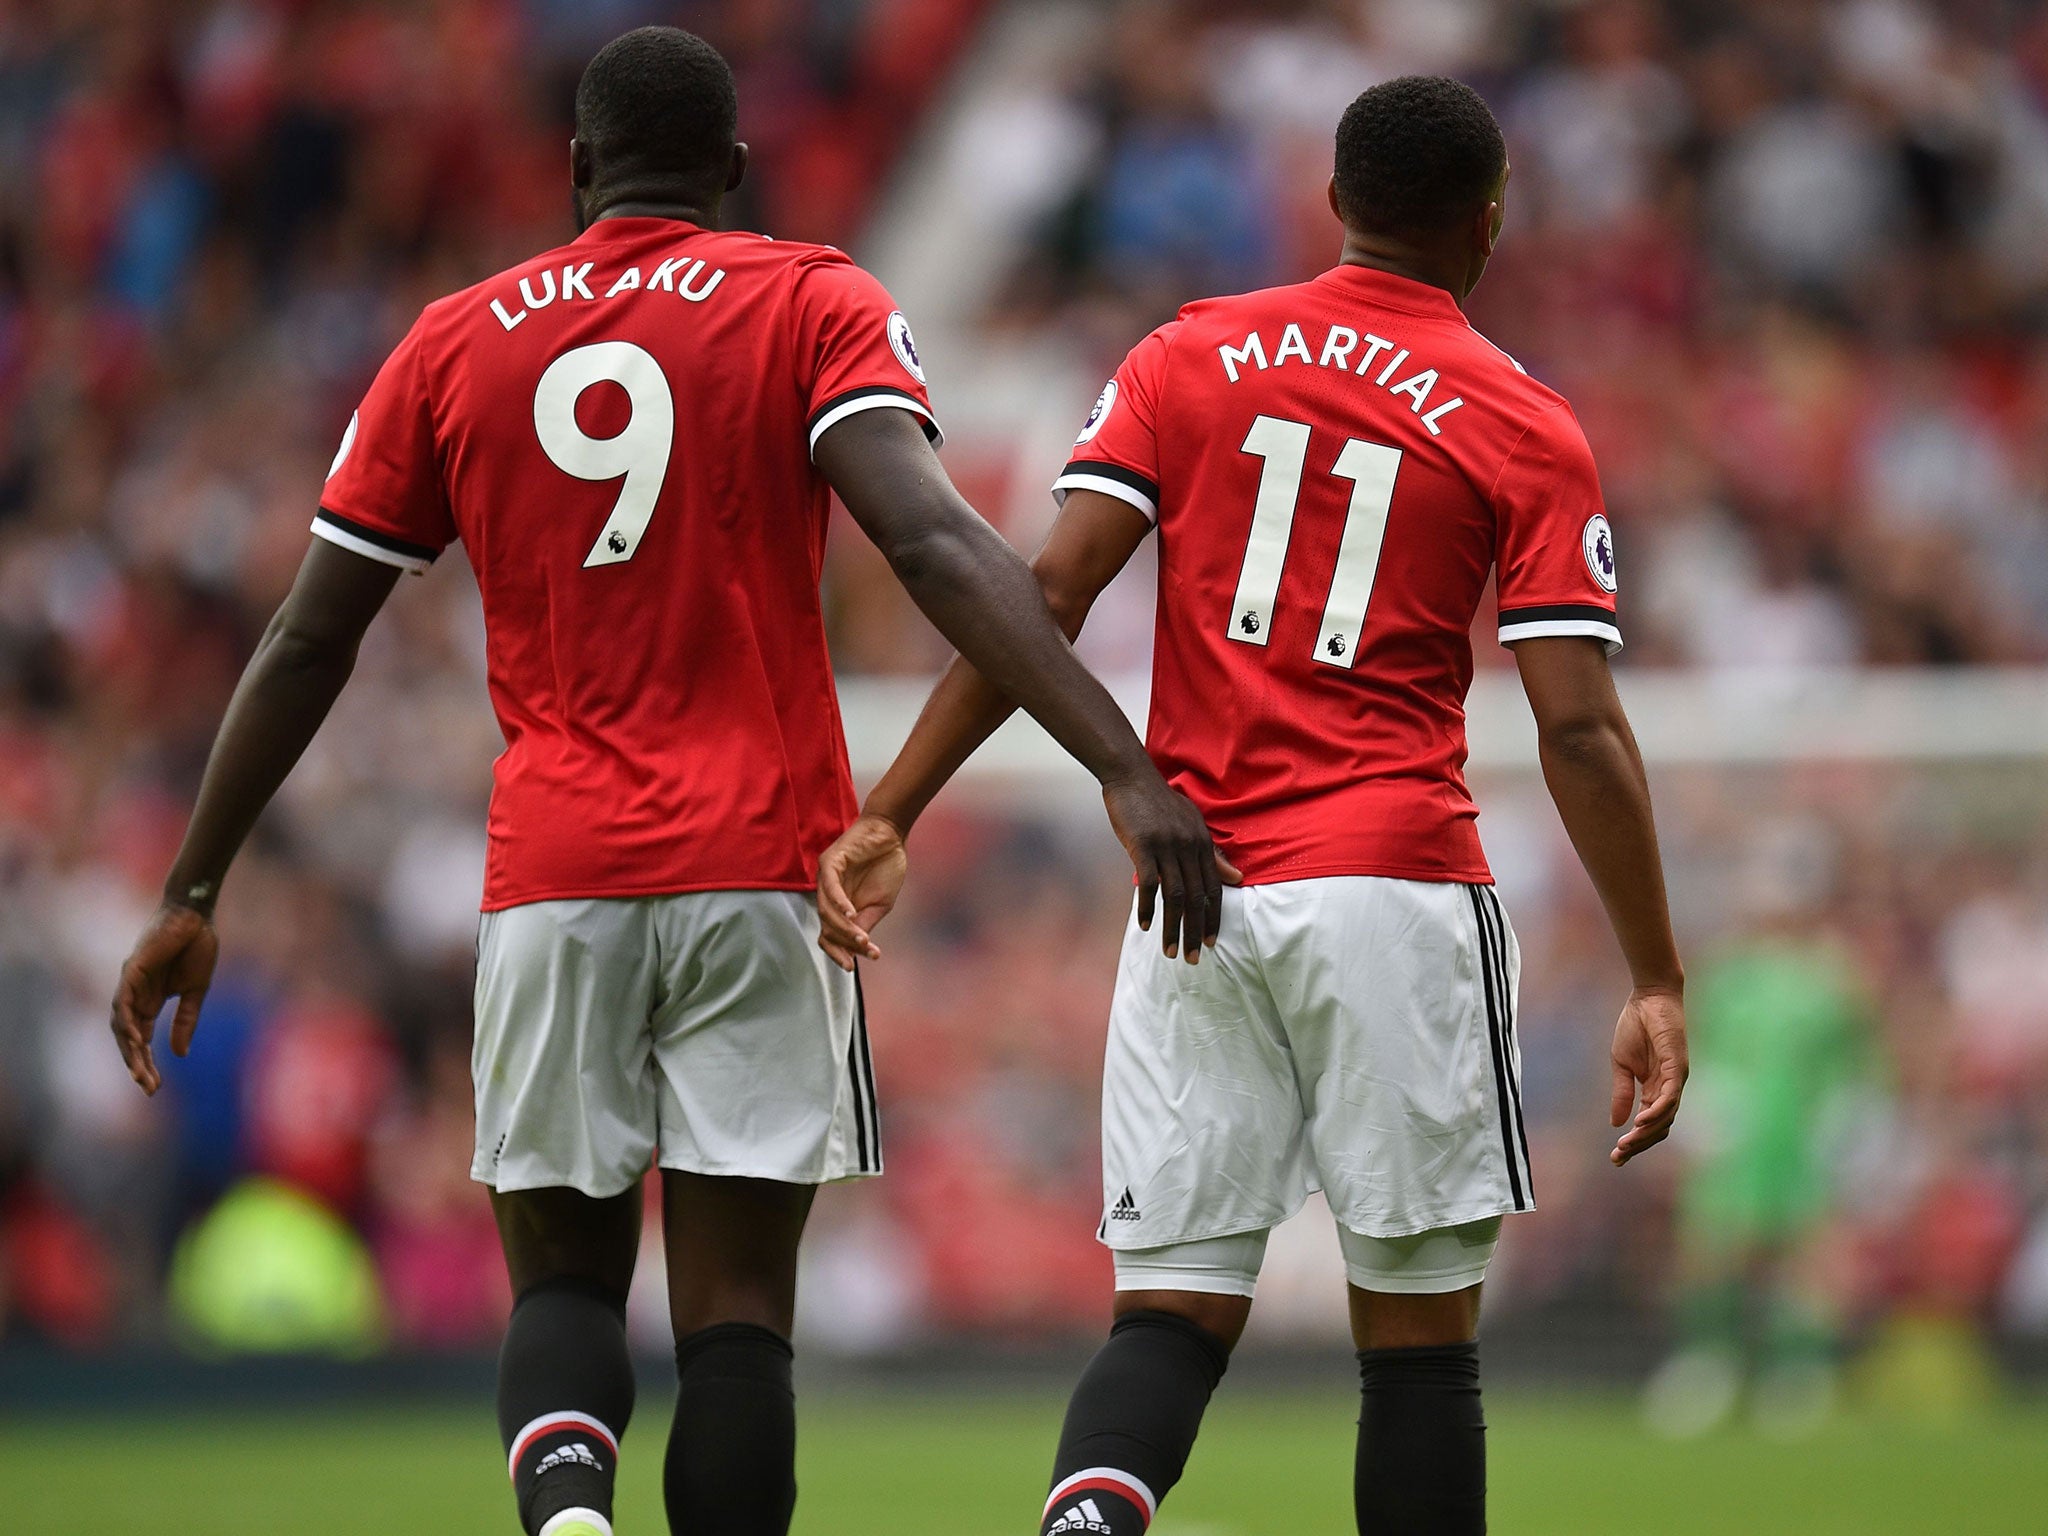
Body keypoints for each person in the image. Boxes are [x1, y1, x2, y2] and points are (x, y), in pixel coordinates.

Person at [107, 27, 1222, 1536]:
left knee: (562, 1287)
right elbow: (938, 544)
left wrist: (192, 887)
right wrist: (1120, 760)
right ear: (737, 174)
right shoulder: (810, 296)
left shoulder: (453, 338)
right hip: (766, 869)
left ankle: (569, 1519)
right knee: (739, 1321)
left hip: (557, 870)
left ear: (576, 173)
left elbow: (312, 632)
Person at [817, 75, 1689, 1536]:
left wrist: (893, 803)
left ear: (1334, 202)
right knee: (1418, 1345)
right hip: (1396, 889)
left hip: (1197, 902)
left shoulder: (1190, 355)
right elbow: (1580, 727)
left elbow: (1040, 599)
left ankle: (1087, 1522)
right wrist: (1655, 969)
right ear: (1488, 222)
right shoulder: (1524, 419)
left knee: (1166, 1317)